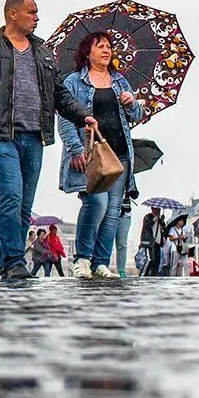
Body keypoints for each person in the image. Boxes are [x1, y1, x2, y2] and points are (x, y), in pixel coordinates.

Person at [0, 0, 96, 282]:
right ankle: (13, 259)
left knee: (24, 203)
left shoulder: (43, 52)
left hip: (34, 136)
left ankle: (11, 263)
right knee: (10, 193)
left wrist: (83, 114)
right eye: (31, 12)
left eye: (36, 13)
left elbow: (59, 93)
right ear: (12, 14)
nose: (37, 17)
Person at [56, 32, 144, 280]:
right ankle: (83, 259)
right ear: (87, 52)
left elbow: (137, 115)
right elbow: (64, 117)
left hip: (120, 154)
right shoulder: (74, 81)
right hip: (91, 153)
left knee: (113, 209)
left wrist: (132, 103)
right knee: (96, 202)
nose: (107, 50)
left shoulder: (119, 82)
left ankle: (101, 263)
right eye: (100, 46)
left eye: (109, 46)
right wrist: (74, 148)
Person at [138, 205, 164, 277]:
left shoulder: (159, 219)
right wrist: (154, 220)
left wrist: (162, 220)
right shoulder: (148, 217)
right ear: (152, 209)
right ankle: (144, 274)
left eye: (159, 209)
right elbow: (147, 226)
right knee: (151, 259)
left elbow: (163, 228)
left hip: (158, 242)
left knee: (157, 260)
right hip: (150, 242)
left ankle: (154, 274)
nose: (158, 211)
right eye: (157, 209)